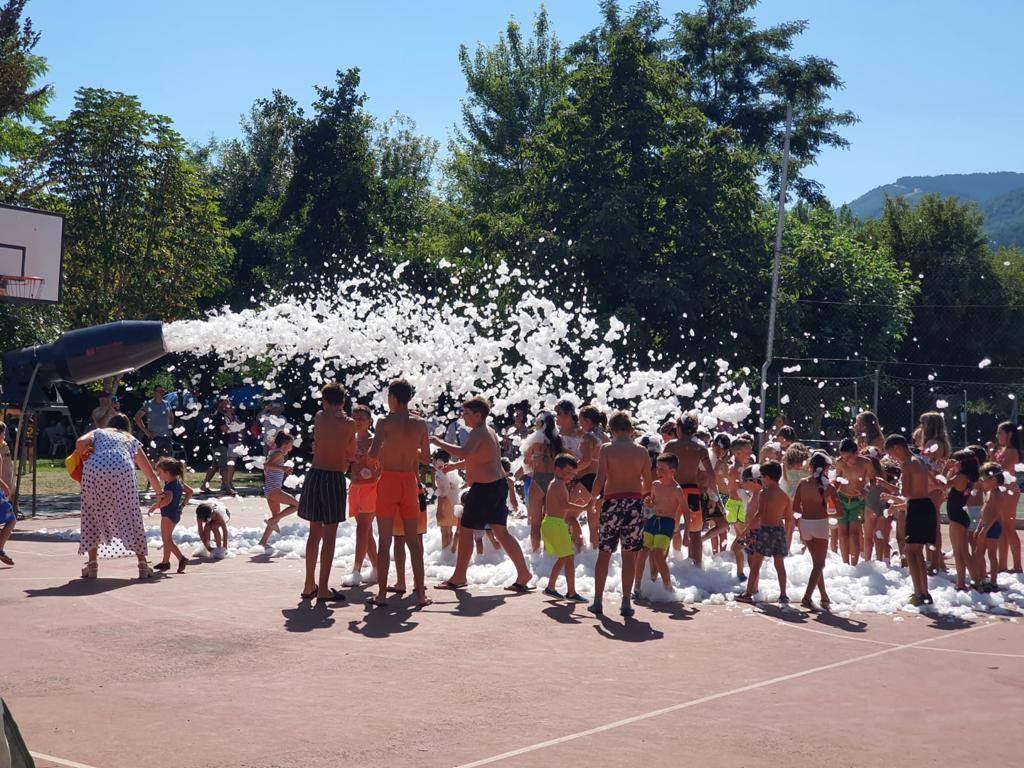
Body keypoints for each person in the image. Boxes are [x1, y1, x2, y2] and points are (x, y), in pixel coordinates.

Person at [434, 395, 533, 593]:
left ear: (479, 415)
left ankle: (459, 576)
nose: (464, 417)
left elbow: (464, 452)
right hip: (496, 487)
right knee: (501, 532)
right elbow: (478, 458)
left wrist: (438, 442)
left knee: (466, 529)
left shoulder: (479, 433)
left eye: (467, 413)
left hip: (484, 490)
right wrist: (456, 465)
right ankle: (524, 573)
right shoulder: (488, 431)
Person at [367, 379, 431, 608]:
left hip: (389, 481)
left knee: (385, 541)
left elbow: (373, 454)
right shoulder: (420, 423)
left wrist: (386, 447)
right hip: (409, 482)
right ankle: (421, 595)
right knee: (414, 542)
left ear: (393, 397)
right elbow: (425, 459)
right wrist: (409, 447)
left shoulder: (383, 421)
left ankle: (382, 594)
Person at [76, 413, 162, 580]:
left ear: (110, 424)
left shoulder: (99, 432)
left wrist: (87, 456)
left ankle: (92, 565)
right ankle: (143, 565)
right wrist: (159, 493)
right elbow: (149, 472)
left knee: (92, 513)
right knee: (130, 514)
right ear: (127, 427)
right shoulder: (128, 438)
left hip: (95, 469)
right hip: (122, 470)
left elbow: (80, 443)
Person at [588, 411, 652, 617]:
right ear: (631, 430)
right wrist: (644, 498)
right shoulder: (642, 451)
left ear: (612, 431)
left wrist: (593, 500)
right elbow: (648, 483)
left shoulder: (607, 449)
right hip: (634, 503)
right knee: (629, 556)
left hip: (612, 503)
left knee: (605, 553)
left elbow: (600, 478)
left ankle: (598, 600)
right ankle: (626, 602)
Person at [298, 383, 355, 603]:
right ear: (343, 402)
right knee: (329, 536)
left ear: (324, 400)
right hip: (333, 476)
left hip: (315, 475)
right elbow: (350, 452)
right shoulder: (349, 424)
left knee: (314, 533)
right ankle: (322, 588)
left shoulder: (319, 417)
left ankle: (308, 584)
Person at [885, 434, 935, 606]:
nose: (893, 458)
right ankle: (924, 591)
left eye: (892, 454)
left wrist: (894, 494)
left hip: (916, 508)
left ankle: (918, 592)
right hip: (926, 505)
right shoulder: (920, 461)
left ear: (897, 448)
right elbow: (930, 485)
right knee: (917, 551)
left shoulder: (907, 464)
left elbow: (906, 493)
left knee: (910, 552)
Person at [663, 412, 714, 565]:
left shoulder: (670, 446)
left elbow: (662, 470)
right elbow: (711, 474)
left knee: (667, 530)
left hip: (674, 490)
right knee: (696, 532)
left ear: (679, 428)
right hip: (692, 491)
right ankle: (697, 568)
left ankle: (661, 565)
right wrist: (713, 497)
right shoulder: (700, 447)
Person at [738, 462, 790, 604]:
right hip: (779, 531)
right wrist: (788, 536)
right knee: (779, 565)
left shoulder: (764, 493)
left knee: (756, 565)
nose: (761, 480)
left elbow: (759, 514)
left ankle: (748, 593)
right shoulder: (785, 496)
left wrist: (745, 530)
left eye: (762, 477)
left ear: (767, 477)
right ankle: (784, 594)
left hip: (765, 530)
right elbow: (790, 519)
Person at [636, 453, 686, 597]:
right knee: (643, 551)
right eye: (657, 469)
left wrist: (687, 531)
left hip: (667, 523)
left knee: (658, 554)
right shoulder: (655, 485)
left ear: (672, 471)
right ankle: (637, 586)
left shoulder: (676, 489)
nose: (658, 472)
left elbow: (685, 509)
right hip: (652, 520)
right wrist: (648, 505)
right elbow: (651, 505)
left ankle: (668, 589)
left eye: (662, 469)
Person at [793, 452, 837, 610]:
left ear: (811, 467)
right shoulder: (828, 486)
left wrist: (799, 524)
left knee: (817, 564)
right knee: (819, 564)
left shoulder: (802, 483)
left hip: (805, 524)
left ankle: (824, 596)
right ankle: (807, 597)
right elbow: (839, 512)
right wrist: (830, 514)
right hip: (820, 524)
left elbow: (795, 507)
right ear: (825, 468)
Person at [540, 454, 587, 602]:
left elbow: (561, 504)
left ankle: (552, 587)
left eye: (573, 474)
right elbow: (564, 505)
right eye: (568, 473)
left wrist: (576, 504)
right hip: (555, 524)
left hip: (552, 523)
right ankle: (569, 592)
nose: (571, 476)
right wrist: (584, 507)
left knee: (565, 557)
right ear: (557, 470)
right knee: (567, 557)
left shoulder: (557, 484)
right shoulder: (558, 484)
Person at [345, 405, 379, 585]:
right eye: (354, 417)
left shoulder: (375, 441)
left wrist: (372, 473)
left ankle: (356, 571)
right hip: (355, 487)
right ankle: (376, 569)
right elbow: (345, 466)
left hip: (371, 487)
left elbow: (382, 466)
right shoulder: (350, 440)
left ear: (369, 422)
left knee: (362, 529)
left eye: (361, 418)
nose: (357, 421)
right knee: (365, 531)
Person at [834, 437, 876, 565]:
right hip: (842, 498)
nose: (846, 461)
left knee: (854, 534)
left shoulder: (866, 463)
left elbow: (874, 480)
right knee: (842, 534)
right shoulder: (840, 463)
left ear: (856, 453)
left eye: (848, 458)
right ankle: (845, 563)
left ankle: (854, 564)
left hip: (857, 500)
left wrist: (866, 491)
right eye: (843, 458)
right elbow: (837, 480)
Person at [522, 411, 560, 552]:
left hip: (538, 479)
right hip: (554, 481)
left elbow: (526, 462)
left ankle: (535, 553)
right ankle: (550, 554)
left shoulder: (534, 441)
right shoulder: (558, 441)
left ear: (542, 424)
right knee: (551, 521)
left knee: (535, 523)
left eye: (537, 422)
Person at [146, 456, 192, 573]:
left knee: (167, 540)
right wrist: (182, 506)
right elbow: (190, 492)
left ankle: (181, 558)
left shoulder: (169, 486)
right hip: (175, 514)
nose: (159, 475)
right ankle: (165, 562)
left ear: (167, 473)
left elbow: (167, 500)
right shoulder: (178, 482)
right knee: (168, 539)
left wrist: (155, 506)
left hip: (167, 516)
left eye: (160, 472)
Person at [257, 431, 300, 550]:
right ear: (285, 444)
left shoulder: (273, 452)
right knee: (298, 505)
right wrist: (283, 468)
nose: (291, 449)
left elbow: (267, 469)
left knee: (276, 516)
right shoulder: (279, 454)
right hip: (274, 489)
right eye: (291, 445)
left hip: (270, 489)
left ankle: (263, 542)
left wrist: (280, 470)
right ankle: (272, 521)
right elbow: (266, 465)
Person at [945, 449, 980, 591]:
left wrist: (945, 469)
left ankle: (977, 581)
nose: (953, 464)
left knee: (963, 552)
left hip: (957, 517)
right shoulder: (966, 477)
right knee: (959, 552)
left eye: (956, 462)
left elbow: (942, 485)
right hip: (959, 515)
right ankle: (961, 582)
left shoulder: (961, 477)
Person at [974, 462, 1010, 592]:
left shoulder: (997, 494)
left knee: (991, 554)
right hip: (985, 526)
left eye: (983, 479)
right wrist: (979, 526)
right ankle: (983, 578)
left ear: (993, 479)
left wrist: (985, 529)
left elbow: (994, 515)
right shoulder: (989, 493)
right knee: (978, 553)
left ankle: (993, 581)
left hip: (992, 527)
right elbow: (984, 511)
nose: (981, 481)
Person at [994, 421, 1023, 573]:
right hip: (1001, 492)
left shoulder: (1012, 451)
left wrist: (991, 457)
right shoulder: (1003, 449)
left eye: (1000, 433)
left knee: (1009, 528)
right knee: (1001, 529)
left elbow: (1000, 470)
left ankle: (1017, 566)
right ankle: (1002, 565)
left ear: (1009, 434)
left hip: (1009, 492)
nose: (997, 436)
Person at [200, 397, 244, 495]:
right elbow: (224, 429)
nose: (227, 406)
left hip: (220, 443)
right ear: (220, 404)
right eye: (225, 404)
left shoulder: (222, 415)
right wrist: (235, 428)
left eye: (228, 404)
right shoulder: (218, 416)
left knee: (215, 466)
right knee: (224, 467)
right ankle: (227, 487)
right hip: (218, 444)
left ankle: (204, 486)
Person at [577, 405, 604, 547]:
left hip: (587, 480)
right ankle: (595, 554)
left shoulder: (588, 437)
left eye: (580, 420)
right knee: (596, 524)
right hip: (602, 481)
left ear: (587, 420)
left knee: (568, 516)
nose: (579, 423)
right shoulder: (604, 436)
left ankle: (578, 552)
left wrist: (571, 470)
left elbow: (586, 461)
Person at [134, 384, 175, 461]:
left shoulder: (167, 403)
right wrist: (146, 431)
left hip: (166, 437)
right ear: (154, 393)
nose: (160, 393)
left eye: (162, 391)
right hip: (154, 437)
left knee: (167, 462)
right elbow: (137, 417)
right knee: (154, 461)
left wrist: (170, 427)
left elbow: (171, 416)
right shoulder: (149, 404)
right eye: (158, 391)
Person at [432, 450, 460, 551]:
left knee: (444, 532)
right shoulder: (451, 469)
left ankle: (446, 556)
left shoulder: (440, 473)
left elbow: (442, 492)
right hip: (455, 502)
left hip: (446, 503)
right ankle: (451, 555)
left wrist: (439, 510)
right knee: (450, 530)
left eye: (433, 459)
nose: (432, 461)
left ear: (438, 460)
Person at [0, 424, 15, 566]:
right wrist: (4, 485)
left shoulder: (3, 448)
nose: (4, 437)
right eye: (3, 434)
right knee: (11, 519)